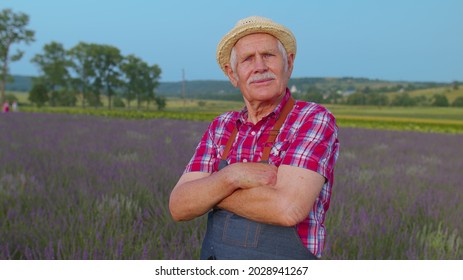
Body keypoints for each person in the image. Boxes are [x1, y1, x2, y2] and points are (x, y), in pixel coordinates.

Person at [169, 16, 340, 260]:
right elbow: (179, 205)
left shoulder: (311, 118)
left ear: (288, 63)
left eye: (269, 55)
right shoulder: (222, 127)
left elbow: (287, 209)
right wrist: (232, 175)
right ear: (232, 74)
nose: (260, 66)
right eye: (248, 59)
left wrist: (211, 193)